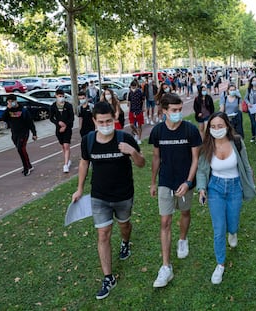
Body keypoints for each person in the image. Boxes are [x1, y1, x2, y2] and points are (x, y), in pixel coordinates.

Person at [72, 102, 145, 300]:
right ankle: (108, 277)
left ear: (114, 119)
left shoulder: (125, 138)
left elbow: (141, 163)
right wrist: (79, 189)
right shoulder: (88, 140)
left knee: (124, 226)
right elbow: (84, 162)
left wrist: (132, 151)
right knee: (103, 234)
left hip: (123, 195)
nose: (106, 124)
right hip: (99, 196)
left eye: (109, 120)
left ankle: (125, 243)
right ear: (94, 121)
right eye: (101, 121)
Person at [148, 93, 202, 288]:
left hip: (185, 181)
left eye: (180, 110)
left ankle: (182, 238)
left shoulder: (191, 130)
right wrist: (153, 182)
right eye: (174, 111)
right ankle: (165, 267)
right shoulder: (157, 132)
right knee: (165, 221)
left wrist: (188, 182)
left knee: (185, 212)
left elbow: (196, 158)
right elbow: (156, 158)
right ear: (164, 111)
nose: (178, 113)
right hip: (165, 181)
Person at [196, 111, 256, 284]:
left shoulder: (237, 142)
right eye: (213, 127)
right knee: (218, 228)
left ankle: (233, 232)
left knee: (232, 222)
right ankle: (220, 264)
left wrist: (250, 181)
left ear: (227, 126)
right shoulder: (207, 145)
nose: (216, 129)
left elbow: (245, 164)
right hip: (215, 188)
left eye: (220, 126)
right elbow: (201, 170)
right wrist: (202, 189)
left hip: (235, 187)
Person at [2, 94, 37, 176]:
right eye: (9, 102)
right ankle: (29, 165)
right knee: (22, 150)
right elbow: (3, 119)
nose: (11, 103)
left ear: (16, 101)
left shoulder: (23, 110)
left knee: (20, 149)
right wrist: (8, 109)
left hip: (24, 133)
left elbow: (30, 122)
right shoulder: (8, 110)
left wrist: (34, 133)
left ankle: (26, 168)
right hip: (14, 133)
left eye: (12, 101)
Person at [50, 89, 75, 173]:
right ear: (56, 96)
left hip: (67, 129)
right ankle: (67, 159)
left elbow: (72, 118)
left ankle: (65, 164)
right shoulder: (53, 106)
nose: (61, 98)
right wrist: (58, 123)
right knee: (63, 146)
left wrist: (65, 125)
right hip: (58, 129)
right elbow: (51, 118)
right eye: (60, 96)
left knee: (66, 145)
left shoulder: (68, 106)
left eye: (63, 96)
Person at [244, 75, 256, 145]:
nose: (255, 82)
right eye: (253, 80)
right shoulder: (248, 89)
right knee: (253, 123)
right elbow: (245, 98)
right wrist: (248, 103)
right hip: (251, 109)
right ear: (251, 82)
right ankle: (253, 135)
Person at [127, 80, 144, 144]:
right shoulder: (130, 92)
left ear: (136, 86)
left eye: (134, 87)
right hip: (132, 110)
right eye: (132, 87)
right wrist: (129, 109)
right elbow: (129, 101)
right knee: (131, 125)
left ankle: (139, 139)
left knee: (139, 125)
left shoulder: (140, 92)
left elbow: (143, 100)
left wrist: (143, 108)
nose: (133, 88)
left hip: (139, 110)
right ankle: (136, 133)